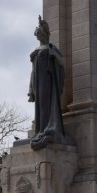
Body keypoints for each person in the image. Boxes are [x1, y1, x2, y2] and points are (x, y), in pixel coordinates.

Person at [28, 16, 66, 150]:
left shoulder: (51, 48)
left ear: (46, 35)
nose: (40, 36)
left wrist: (54, 55)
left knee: (46, 105)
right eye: (39, 34)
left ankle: (46, 128)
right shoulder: (35, 52)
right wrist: (30, 89)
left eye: (42, 34)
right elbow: (33, 72)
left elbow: (62, 63)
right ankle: (39, 130)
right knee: (39, 106)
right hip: (38, 82)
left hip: (48, 83)